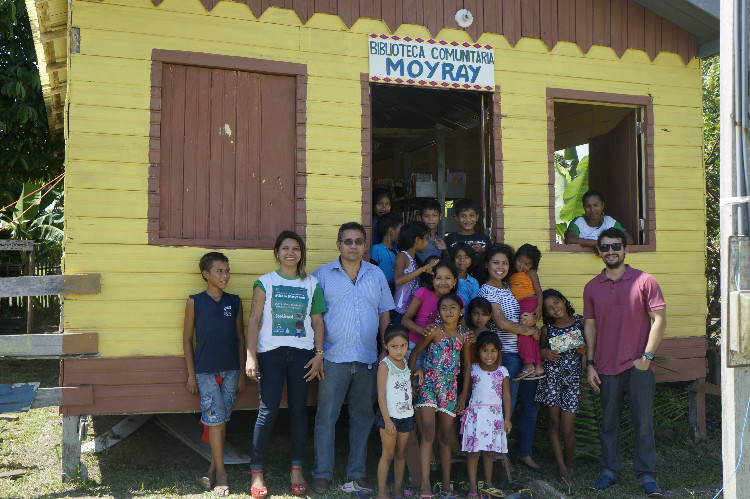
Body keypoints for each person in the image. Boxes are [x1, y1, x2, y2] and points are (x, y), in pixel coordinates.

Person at [311, 222, 395, 494]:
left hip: (368, 357)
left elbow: (385, 314)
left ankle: (357, 473)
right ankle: (322, 473)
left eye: (359, 241)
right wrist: (319, 353)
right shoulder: (322, 276)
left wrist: (385, 349)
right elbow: (314, 319)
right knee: (326, 417)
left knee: (362, 416)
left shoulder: (376, 274)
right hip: (333, 357)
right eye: (348, 241)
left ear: (364, 246)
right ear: (339, 244)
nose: (353, 246)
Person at [584, 228, 666, 497]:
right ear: (599, 252)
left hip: (638, 366)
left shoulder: (645, 280)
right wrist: (590, 364)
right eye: (605, 247)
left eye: (616, 246)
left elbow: (659, 320)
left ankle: (646, 475)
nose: (611, 251)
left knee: (643, 424)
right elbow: (591, 327)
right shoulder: (591, 287)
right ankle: (609, 471)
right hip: (605, 367)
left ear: (625, 248)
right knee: (609, 424)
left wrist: (647, 358)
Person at [245, 231, 326, 497]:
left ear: (301, 253)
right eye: (285, 248)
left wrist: (319, 354)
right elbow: (254, 320)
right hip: (271, 354)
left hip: (303, 356)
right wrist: (251, 355)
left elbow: (316, 321)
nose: (290, 253)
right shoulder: (264, 283)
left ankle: (296, 468)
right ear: (277, 252)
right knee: (267, 412)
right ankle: (256, 471)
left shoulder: (312, 283)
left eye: (296, 248)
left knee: (299, 412)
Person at [183, 252, 246, 497]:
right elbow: (187, 339)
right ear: (205, 274)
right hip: (205, 370)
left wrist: (241, 373)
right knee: (216, 419)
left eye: (227, 270)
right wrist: (191, 374)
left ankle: (211, 468)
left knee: (221, 418)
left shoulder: (235, 301)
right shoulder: (194, 301)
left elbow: (241, 338)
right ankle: (222, 474)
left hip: (231, 369)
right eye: (219, 271)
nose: (225, 275)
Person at [477, 244, 543, 475]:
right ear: (487, 264)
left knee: (531, 407)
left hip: (527, 354)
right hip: (507, 356)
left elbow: (527, 308)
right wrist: (531, 331)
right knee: (507, 410)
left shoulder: (510, 286)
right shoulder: (486, 290)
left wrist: (532, 323)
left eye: (504, 262)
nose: (501, 267)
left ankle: (525, 453)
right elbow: (501, 322)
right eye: (496, 262)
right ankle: (499, 458)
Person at [408, 293, 468, 499]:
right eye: (444, 307)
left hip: (450, 389)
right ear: (439, 311)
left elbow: (467, 367)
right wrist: (410, 380)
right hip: (430, 385)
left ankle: (446, 487)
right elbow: (415, 352)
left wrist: (462, 395)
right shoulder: (434, 332)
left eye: (453, 307)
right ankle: (425, 485)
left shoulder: (464, 335)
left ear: (461, 311)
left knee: (445, 436)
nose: (448, 311)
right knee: (429, 432)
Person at [534, 289, 587, 486]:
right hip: (551, 381)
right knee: (554, 424)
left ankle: (569, 462)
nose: (555, 309)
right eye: (549, 308)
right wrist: (545, 352)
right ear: (546, 313)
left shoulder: (580, 322)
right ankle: (562, 467)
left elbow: (591, 346)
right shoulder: (548, 329)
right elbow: (539, 352)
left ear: (564, 300)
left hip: (572, 382)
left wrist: (585, 348)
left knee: (567, 430)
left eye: (557, 303)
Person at [457, 331, 511, 499]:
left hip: (494, 417)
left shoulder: (503, 372)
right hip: (476, 416)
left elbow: (506, 396)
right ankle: (473, 485)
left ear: (499, 352)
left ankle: (488, 483)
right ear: (478, 351)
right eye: (485, 350)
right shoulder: (473, 369)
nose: (489, 355)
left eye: (493, 350)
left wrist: (507, 418)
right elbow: (465, 391)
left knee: (489, 453)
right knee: (474, 453)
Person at [376, 325, 415, 499]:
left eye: (403, 345)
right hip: (390, 417)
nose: (399, 350)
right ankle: (382, 492)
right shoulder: (385, 366)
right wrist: (387, 420)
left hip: (406, 415)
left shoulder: (405, 361)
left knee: (401, 454)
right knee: (388, 454)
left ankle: (397, 491)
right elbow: (381, 395)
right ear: (386, 346)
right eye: (394, 346)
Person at [508, 244, 545, 380]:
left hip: (529, 302)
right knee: (531, 334)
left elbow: (539, 291)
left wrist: (539, 308)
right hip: (520, 304)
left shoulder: (530, 273)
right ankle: (539, 366)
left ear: (532, 265)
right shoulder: (511, 273)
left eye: (527, 264)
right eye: (520, 261)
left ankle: (528, 364)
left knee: (524, 332)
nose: (522, 265)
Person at [392, 222, 439, 324]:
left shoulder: (416, 260)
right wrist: (421, 270)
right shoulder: (402, 255)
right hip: (400, 312)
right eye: (426, 239)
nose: (427, 243)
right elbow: (398, 280)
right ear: (417, 240)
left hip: (412, 312)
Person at [564, 190, 633, 248]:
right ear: (584, 207)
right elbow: (569, 239)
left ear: (602, 205)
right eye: (588, 206)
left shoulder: (610, 222)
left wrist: (607, 244)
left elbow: (629, 240)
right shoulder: (578, 222)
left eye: (596, 205)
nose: (592, 210)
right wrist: (599, 243)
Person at [371, 212, 403, 294]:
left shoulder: (398, 253)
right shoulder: (376, 249)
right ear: (391, 230)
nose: (403, 233)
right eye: (401, 230)